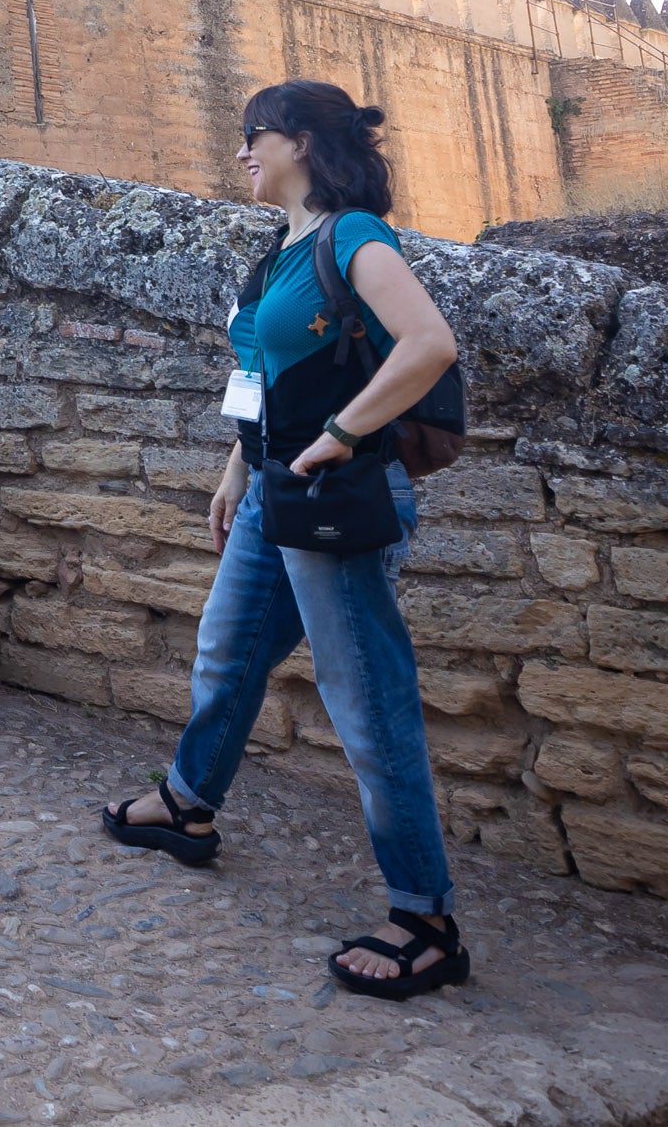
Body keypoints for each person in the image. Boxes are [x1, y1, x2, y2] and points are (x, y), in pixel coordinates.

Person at [98, 80, 471, 1003]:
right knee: (225, 652)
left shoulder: (353, 236)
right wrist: (238, 465)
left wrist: (343, 433)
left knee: (367, 701)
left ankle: (425, 918)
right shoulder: (278, 254)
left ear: (301, 140)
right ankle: (187, 806)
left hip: (337, 492)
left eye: (252, 136)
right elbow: (263, 372)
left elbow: (429, 342)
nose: (241, 155)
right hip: (273, 490)